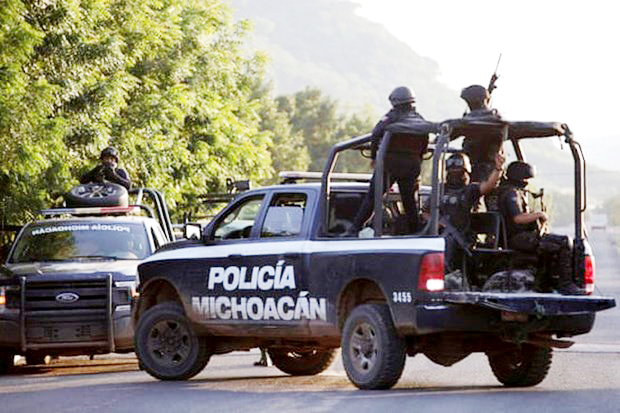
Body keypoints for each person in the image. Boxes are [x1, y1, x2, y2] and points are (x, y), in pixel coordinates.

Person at [350, 86, 431, 235]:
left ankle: (354, 229)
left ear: (394, 102)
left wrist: (375, 157)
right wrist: (417, 158)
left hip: (390, 163)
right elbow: (425, 142)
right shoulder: (419, 119)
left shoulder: (391, 117)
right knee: (409, 201)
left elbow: (376, 134)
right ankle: (415, 232)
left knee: (373, 197)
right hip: (412, 165)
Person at [497, 161, 583, 295]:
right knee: (565, 242)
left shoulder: (502, 190)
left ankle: (543, 283)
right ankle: (565, 284)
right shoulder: (511, 193)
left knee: (554, 244)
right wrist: (539, 214)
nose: (527, 181)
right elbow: (517, 218)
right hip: (517, 238)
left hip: (511, 237)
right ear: (519, 177)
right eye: (525, 178)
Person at [440, 151, 505, 273]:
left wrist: (498, 168)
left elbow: (488, 186)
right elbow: (426, 212)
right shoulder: (440, 190)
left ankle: (445, 274)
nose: (454, 173)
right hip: (437, 231)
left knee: (448, 242)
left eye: (458, 171)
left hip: (461, 234)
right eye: (451, 171)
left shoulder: (469, 190)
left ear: (466, 172)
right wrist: (436, 221)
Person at [460, 85, 505, 183]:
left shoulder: (487, 120)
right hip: (472, 167)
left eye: (470, 103)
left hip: (485, 172)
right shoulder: (487, 118)